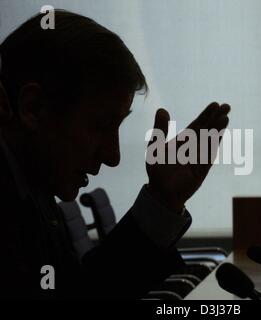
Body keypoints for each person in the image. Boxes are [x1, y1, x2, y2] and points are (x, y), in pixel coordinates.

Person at [0, 10, 230, 299]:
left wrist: (162, 202)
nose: (113, 156)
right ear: (33, 108)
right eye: (102, 125)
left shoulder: (33, 192)